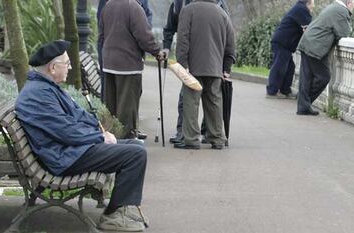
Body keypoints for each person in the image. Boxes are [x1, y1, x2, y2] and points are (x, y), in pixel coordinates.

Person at [15, 40, 148, 232]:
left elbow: (76, 117)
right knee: (135, 155)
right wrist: (99, 138)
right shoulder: (38, 95)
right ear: (53, 67)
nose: (69, 67)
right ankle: (112, 216)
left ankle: (122, 209)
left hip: (71, 150)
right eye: (67, 63)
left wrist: (101, 131)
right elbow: (65, 131)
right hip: (64, 158)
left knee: (137, 146)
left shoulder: (46, 87)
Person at [162, 0, 229, 144]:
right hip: (215, 66)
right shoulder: (221, 11)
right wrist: (226, 67)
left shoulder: (188, 9)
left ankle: (191, 138)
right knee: (214, 102)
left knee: (190, 102)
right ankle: (216, 138)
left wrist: (183, 63)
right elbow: (230, 40)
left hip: (194, 66)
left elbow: (183, 39)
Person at [99, 0, 164, 139]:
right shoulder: (133, 7)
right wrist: (157, 52)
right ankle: (127, 139)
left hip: (109, 63)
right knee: (127, 107)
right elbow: (144, 36)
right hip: (128, 64)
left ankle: (111, 137)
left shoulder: (108, 5)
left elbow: (102, 35)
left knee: (111, 106)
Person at [297, 0, 354, 115]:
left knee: (306, 77)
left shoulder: (333, 7)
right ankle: (305, 103)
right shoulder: (341, 11)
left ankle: (303, 106)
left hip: (307, 41)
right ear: (348, 3)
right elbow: (344, 33)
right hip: (316, 46)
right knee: (324, 76)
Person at [266, 0, 314, 99]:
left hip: (284, 43)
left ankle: (285, 90)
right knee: (279, 67)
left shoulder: (299, 8)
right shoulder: (302, 9)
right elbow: (311, 27)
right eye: (313, 4)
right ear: (308, 3)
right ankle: (272, 91)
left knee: (289, 68)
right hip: (282, 42)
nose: (313, 6)